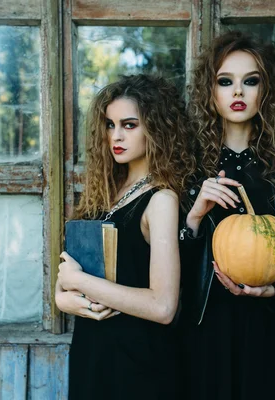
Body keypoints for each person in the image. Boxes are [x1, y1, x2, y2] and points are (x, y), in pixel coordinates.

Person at [179, 31, 275, 400]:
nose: (238, 92)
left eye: (250, 81)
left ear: (267, 91)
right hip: (206, 334)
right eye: (225, 81)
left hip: (272, 335)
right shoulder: (187, 167)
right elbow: (164, 268)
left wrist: (274, 291)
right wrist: (194, 219)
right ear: (209, 91)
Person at [55, 74, 195, 400]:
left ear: (156, 129)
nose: (116, 136)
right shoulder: (102, 193)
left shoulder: (161, 199)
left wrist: (82, 284)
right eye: (109, 125)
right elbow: (67, 281)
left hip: (138, 368)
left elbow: (163, 306)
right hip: (93, 357)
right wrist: (63, 299)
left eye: (129, 125)